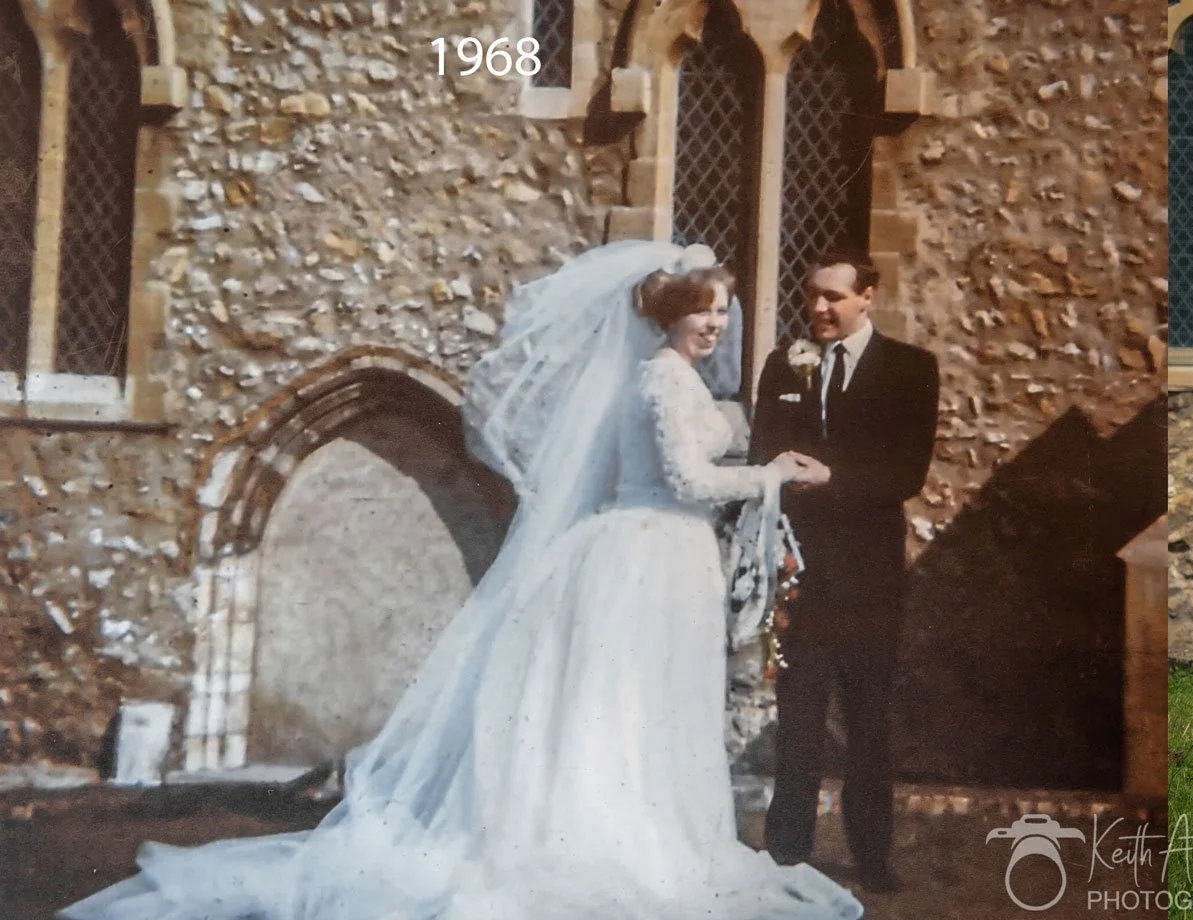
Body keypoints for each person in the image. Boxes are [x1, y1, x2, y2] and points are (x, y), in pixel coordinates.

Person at [60, 241, 866, 919]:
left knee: (638, 710)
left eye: (723, 312)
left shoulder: (670, 380)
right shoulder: (659, 378)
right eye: (704, 311)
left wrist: (737, 436)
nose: (716, 324)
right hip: (648, 553)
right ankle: (616, 845)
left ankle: (644, 834)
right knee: (622, 708)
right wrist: (770, 474)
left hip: (659, 556)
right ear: (667, 315)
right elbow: (688, 484)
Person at [748, 249, 939, 893]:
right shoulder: (786, 364)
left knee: (866, 719)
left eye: (833, 296)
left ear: (868, 297)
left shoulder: (911, 370)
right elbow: (761, 449)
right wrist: (778, 477)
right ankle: (786, 851)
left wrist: (833, 479)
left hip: (867, 578)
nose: (820, 309)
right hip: (800, 568)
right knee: (796, 715)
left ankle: (873, 856)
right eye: (812, 297)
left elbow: (906, 473)